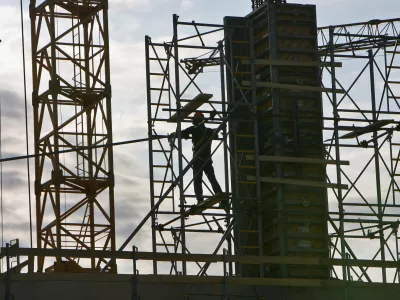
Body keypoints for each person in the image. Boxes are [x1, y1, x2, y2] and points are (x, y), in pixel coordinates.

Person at [169, 112, 226, 207]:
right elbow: (216, 136)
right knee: (212, 178)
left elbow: (181, 133)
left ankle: (200, 199)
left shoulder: (193, 129)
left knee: (197, 180)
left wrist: (172, 135)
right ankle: (223, 200)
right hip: (207, 159)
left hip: (197, 159)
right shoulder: (209, 131)